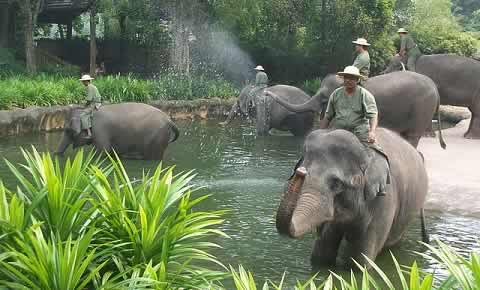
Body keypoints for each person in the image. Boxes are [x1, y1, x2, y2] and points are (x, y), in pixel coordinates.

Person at [320, 66, 389, 196]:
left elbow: (373, 115)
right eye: (346, 78)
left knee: (377, 153)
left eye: (352, 78)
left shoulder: (364, 95)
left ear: (357, 80)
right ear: (343, 79)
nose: (349, 80)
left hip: (359, 131)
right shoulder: (336, 94)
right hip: (339, 131)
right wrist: (320, 133)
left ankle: (381, 183)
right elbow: (328, 116)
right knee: (317, 150)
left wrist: (372, 132)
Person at [79, 74, 102, 139]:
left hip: (94, 104)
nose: (83, 83)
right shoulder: (92, 86)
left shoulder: (89, 87)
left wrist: (85, 106)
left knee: (83, 115)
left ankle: (89, 133)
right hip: (95, 102)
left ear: (87, 81)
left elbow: (89, 99)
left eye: (83, 81)